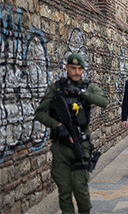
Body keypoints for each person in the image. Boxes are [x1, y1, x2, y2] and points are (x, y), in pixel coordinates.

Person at [35, 53, 109, 213]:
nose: (76, 72)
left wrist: (80, 93)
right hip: (60, 146)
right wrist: (57, 125)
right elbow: (39, 112)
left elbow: (104, 101)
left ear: (83, 69)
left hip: (80, 144)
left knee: (80, 189)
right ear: (67, 68)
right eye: (73, 68)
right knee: (64, 191)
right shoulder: (57, 87)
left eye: (79, 68)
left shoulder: (88, 86)